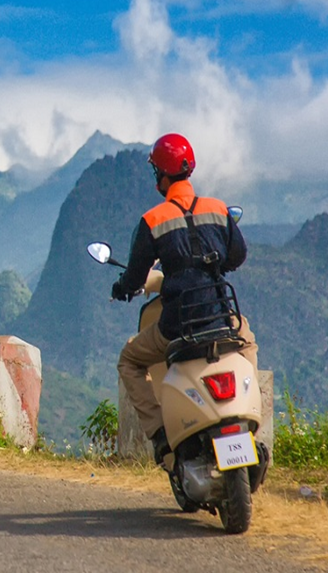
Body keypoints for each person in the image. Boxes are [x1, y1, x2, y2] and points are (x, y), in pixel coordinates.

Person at [113, 133, 259, 463]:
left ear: (162, 176)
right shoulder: (219, 210)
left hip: (176, 326)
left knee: (130, 360)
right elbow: (237, 256)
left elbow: (135, 277)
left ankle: (161, 433)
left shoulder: (153, 220)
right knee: (246, 342)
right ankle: (247, 416)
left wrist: (122, 288)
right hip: (221, 316)